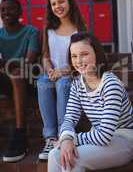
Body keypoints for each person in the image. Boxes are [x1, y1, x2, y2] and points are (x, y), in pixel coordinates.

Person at [48, 32, 133, 172]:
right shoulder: (77, 84)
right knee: (54, 154)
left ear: (97, 54)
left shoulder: (111, 85)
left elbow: (104, 135)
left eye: (84, 54)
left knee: (69, 160)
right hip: (99, 138)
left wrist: (71, 139)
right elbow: (69, 117)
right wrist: (65, 138)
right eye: (74, 56)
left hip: (124, 139)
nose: (79, 61)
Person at [37, 0, 86, 160]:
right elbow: (45, 55)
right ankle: (50, 137)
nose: (57, 6)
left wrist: (62, 71)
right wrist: (49, 68)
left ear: (70, 2)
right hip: (54, 73)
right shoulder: (49, 28)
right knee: (42, 81)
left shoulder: (79, 28)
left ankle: (63, 133)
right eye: (53, 4)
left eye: (61, 1)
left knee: (63, 83)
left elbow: (82, 60)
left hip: (73, 73)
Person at [0, 0, 39, 162]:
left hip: (29, 79)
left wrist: (7, 64)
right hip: (9, 78)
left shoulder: (31, 32)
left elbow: (28, 62)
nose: (6, 13)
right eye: (2, 10)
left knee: (17, 72)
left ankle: (20, 133)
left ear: (20, 12)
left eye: (10, 9)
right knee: (14, 72)